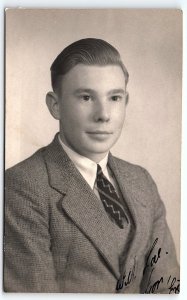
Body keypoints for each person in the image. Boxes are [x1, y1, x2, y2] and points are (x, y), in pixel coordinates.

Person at [4, 38, 179, 293]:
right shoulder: (22, 187)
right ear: (56, 105)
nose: (104, 114)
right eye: (86, 97)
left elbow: (167, 287)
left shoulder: (141, 181)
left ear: (126, 102)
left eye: (115, 98)